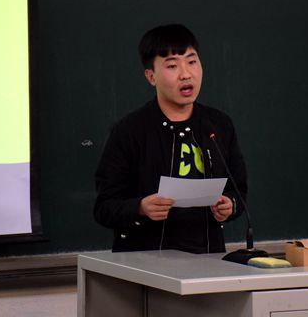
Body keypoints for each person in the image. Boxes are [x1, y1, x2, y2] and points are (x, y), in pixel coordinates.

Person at [94, 24, 247, 253]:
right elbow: (104, 207)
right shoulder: (129, 130)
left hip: (208, 260)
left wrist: (229, 205)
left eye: (192, 62)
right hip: (145, 261)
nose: (186, 74)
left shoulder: (219, 125)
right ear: (151, 77)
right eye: (172, 66)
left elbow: (238, 192)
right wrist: (140, 208)